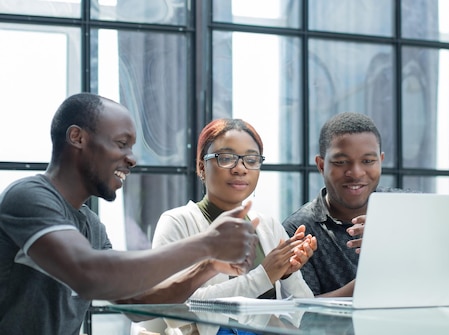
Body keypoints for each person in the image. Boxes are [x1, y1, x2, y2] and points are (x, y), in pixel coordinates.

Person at [0, 93, 260, 335]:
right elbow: (88, 275)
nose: (132, 159)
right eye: (122, 144)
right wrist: (207, 244)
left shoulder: (90, 225)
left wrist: (208, 266)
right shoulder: (28, 196)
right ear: (77, 137)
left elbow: (136, 302)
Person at [150, 118, 316, 334]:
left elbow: (304, 313)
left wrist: (287, 274)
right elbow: (177, 302)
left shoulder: (269, 226)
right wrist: (264, 276)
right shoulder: (177, 222)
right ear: (202, 166)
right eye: (226, 158)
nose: (240, 169)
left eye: (251, 159)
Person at [282, 112, 384, 296]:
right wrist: (370, 280)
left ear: (381, 161)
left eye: (368, 161)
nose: (356, 173)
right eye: (341, 162)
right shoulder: (298, 229)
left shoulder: (407, 211)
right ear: (321, 165)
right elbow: (300, 311)